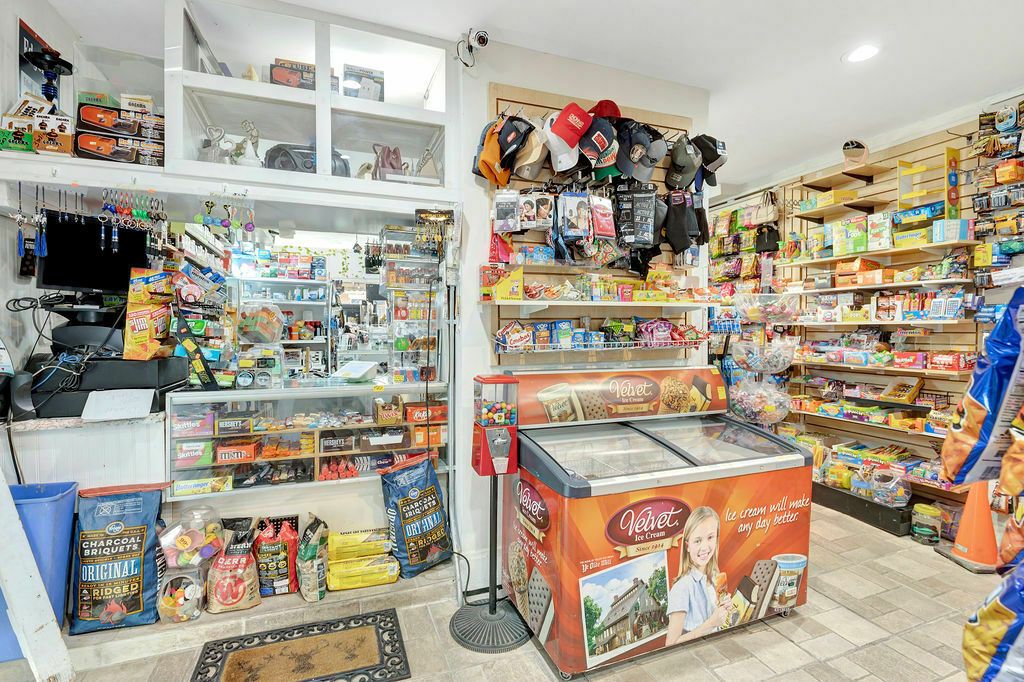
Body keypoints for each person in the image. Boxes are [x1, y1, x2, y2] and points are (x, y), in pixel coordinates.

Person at [664, 507, 731, 646]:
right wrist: (711, 623)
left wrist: (724, 610)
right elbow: (670, 645)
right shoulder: (682, 588)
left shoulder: (715, 577)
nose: (705, 547)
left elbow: (719, 623)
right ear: (687, 546)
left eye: (710, 537)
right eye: (697, 541)